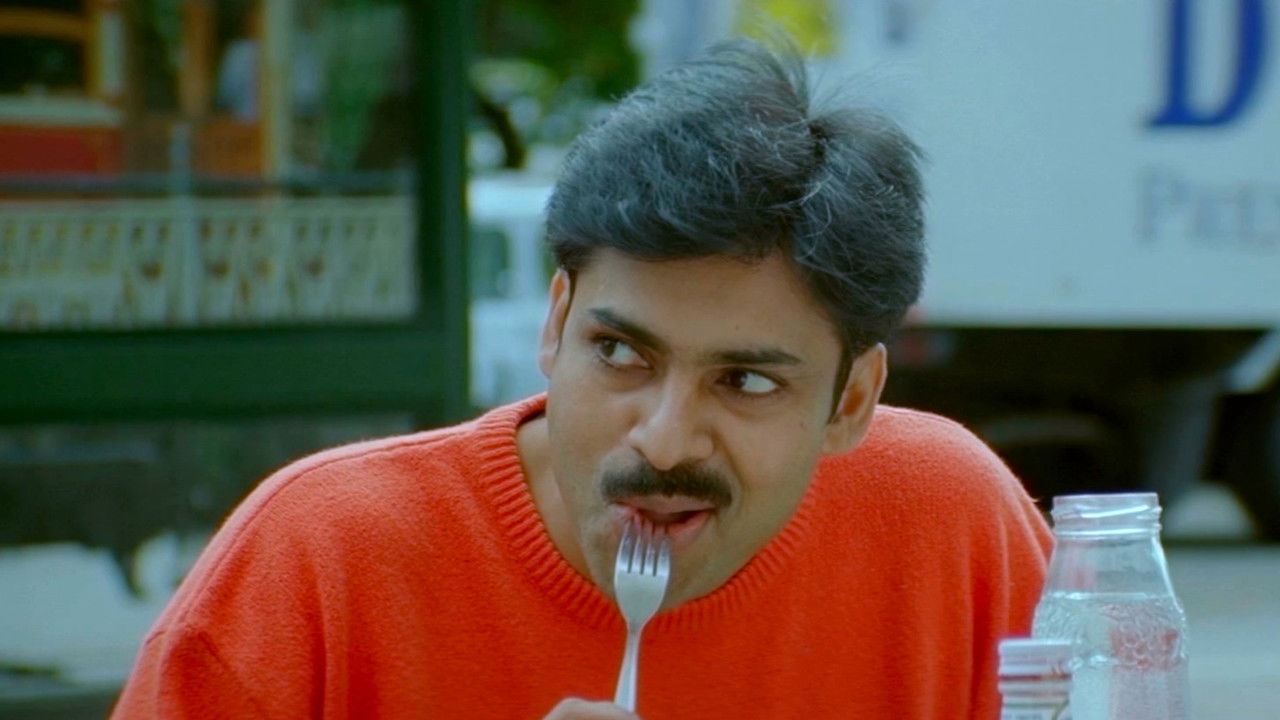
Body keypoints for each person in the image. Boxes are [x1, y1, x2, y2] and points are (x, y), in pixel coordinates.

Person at [110, 39, 1051, 719]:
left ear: (850, 401)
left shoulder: (947, 526)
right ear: (557, 324)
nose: (664, 439)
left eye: (747, 383)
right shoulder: (321, 560)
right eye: (622, 354)